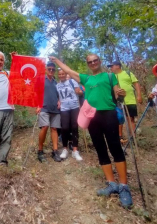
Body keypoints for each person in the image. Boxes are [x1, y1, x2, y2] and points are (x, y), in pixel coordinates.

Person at [50, 54, 133, 208]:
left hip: (109, 114)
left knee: (115, 148)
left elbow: (117, 93)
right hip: (92, 117)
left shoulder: (110, 76)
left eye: (95, 60)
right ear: (88, 64)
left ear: (99, 61)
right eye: (90, 62)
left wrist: (121, 94)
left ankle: (123, 186)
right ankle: (111, 184)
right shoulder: (86, 79)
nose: (93, 63)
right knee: (101, 150)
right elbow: (68, 70)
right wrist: (56, 61)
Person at [107, 61, 142, 142]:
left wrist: (139, 95)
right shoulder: (111, 76)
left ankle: (133, 138)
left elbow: (136, 84)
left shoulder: (128, 73)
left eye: (112, 66)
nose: (110, 68)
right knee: (119, 118)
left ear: (118, 66)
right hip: (117, 101)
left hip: (129, 100)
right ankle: (120, 137)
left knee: (130, 118)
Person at [36, 62, 62, 163]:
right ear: (46, 69)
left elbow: (58, 94)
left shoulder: (56, 82)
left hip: (55, 109)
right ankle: (40, 150)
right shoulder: (41, 79)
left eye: (53, 69)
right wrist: (38, 105)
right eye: (49, 69)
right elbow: (36, 92)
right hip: (44, 108)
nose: (51, 71)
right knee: (45, 127)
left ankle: (55, 151)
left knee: (54, 129)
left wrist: (59, 100)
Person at [56, 69, 83, 161]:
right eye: (60, 74)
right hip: (64, 108)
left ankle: (75, 150)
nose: (61, 75)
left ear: (66, 74)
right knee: (65, 128)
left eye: (63, 74)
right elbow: (57, 97)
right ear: (58, 75)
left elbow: (78, 92)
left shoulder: (72, 81)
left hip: (75, 107)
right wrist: (58, 102)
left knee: (75, 127)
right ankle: (65, 149)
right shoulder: (57, 86)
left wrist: (80, 92)